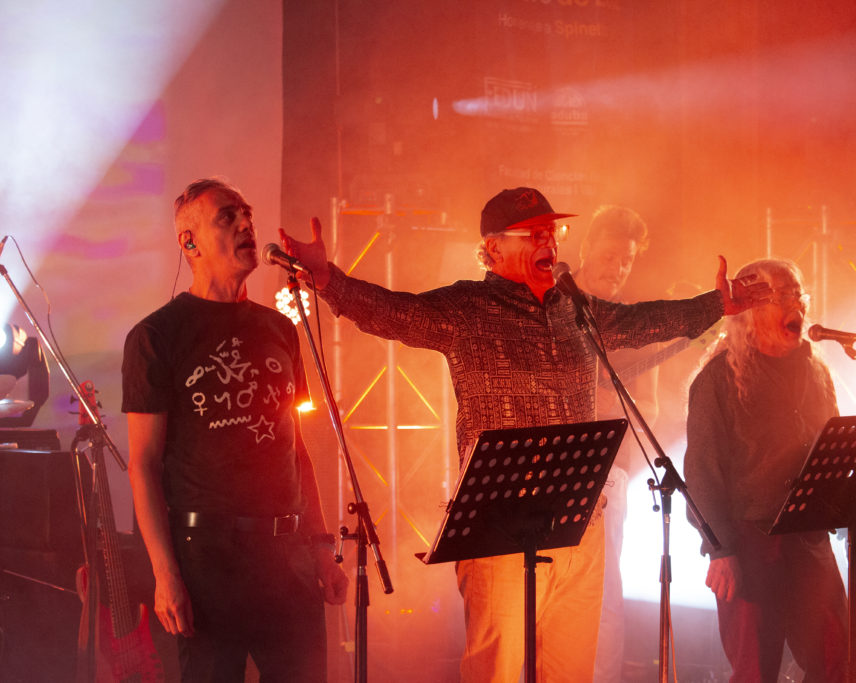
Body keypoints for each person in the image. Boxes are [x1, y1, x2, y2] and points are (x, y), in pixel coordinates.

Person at [280, 186, 768, 682]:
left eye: (553, 231)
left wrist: (717, 304)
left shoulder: (574, 308)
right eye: (534, 233)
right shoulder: (467, 309)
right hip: (498, 531)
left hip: (580, 524)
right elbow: (393, 311)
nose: (549, 241)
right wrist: (329, 280)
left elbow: (646, 321)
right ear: (493, 249)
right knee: (496, 674)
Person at [122, 178, 348, 683]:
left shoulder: (280, 329)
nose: (247, 223)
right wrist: (165, 575)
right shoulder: (156, 337)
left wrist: (319, 545)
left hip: (287, 559)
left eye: (246, 212)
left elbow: (297, 450)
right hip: (206, 561)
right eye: (228, 216)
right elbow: (144, 465)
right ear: (190, 242)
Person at [683, 258, 848, 682]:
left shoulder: (816, 371)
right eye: (782, 297)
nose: (796, 306)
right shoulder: (718, 380)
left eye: (798, 295)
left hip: (809, 537)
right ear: (752, 309)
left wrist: (846, 523)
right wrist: (720, 550)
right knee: (756, 671)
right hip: (749, 544)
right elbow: (702, 471)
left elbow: (832, 454)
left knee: (836, 662)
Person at [573, 205, 656, 683]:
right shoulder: (555, 306)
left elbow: (651, 409)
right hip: (550, 469)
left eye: (627, 260)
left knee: (606, 597)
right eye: (609, 256)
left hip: (611, 474)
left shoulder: (636, 322)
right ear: (585, 251)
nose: (618, 268)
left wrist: (611, 404)